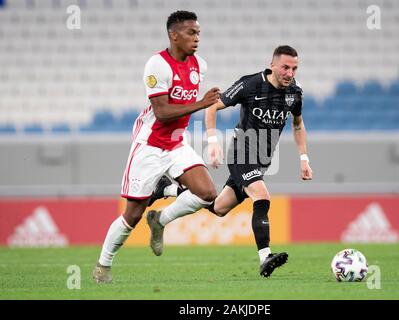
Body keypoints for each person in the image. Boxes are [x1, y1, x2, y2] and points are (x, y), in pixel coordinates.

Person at [148, 45, 313, 277]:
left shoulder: (294, 93)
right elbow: (213, 106)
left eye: (294, 68)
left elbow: (298, 125)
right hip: (242, 154)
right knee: (262, 196)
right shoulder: (251, 84)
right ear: (273, 64)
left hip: (262, 160)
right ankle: (265, 256)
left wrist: (303, 158)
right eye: (285, 67)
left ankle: (167, 190)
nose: (290, 73)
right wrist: (213, 141)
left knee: (218, 207)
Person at [92, 10, 220, 283]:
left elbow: (182, 109)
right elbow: (161, 112)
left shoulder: (201, 66)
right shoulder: (157, 65)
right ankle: (103, 265)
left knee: (207, 193)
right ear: (174, 35)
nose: (197, 38)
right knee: (132, 215)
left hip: (176, 143)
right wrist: (202, 103)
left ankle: (159, 219)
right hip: (149, 145)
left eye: (198, 33)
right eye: (191, 33)